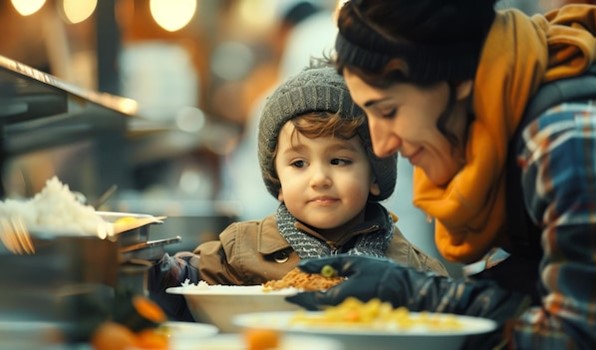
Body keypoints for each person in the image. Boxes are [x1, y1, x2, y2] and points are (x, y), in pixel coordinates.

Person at [285, 1, 596, 349]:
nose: (382, 146)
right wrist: (412, 292)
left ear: (457, 79)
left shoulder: (567, 139)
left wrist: (418, 297)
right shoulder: (498, 139)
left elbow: (582, 337)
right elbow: (525, 300)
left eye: (388, 110)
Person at [148, 65, 448, 320]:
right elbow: (187, 285)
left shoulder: (410, 267)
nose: (319, 178)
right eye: (299, 163)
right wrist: (158, 268)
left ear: (374, 176)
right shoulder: (242, 249)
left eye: (339, 161)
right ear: (277, 181)